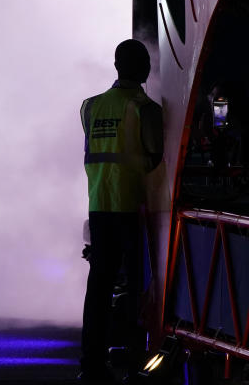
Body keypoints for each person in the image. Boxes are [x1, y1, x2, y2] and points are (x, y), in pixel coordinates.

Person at [79, 39, 163, 382]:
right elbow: (156, 158)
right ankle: (130, 362)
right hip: (134, 209)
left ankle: (91, 367)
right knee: (134, 289)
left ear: (116, 66)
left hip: (100, 206)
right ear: (143, 68)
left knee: (97, 290)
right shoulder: (146, 109)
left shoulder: (90, 106)